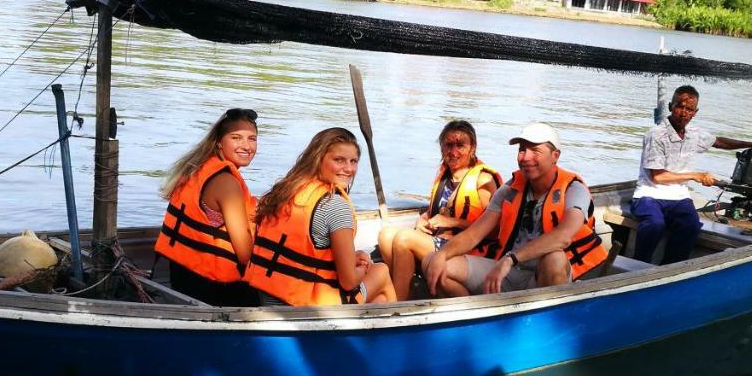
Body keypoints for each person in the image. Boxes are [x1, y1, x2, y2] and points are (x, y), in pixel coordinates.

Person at [423, 122, 608, 296]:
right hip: (509, 272)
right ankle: (478, 320)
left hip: (542, 277)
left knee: (555, 259)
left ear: (555, 156)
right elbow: (474, 234)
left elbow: (563, 236)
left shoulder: (574, 190)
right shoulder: (511, 189)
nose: (526, 157)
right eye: (522, 150)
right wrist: (443, 254)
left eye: (535, 150)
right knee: (432, 262)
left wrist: (511, 258)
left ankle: (543, 323)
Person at [247, 127, 395, 306]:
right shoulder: (335, 206)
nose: (348, 169)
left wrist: (351, 259)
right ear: (318, 159)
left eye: (353, 161)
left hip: (269, 296)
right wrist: (363, 267)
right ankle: (400, 327)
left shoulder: (286, 192)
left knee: (377, 297)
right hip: (309, 308)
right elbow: (348, 282)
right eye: (339, 160)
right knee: (381, 270)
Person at [632, 85, 752, 264]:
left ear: (695, 112)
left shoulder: (694, 134)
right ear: (670, 106)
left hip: (678, 197)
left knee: (690, 226)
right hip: (648, 195)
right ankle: (638, 265)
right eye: (679, 106)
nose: (683, 113)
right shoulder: (656, 135)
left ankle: (669, 269)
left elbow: (720, 142)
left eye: (689, 109)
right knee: (654, 224)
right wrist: (695, 176)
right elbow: (657, 176)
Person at [377, 120, 502, 300]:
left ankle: (398, 303)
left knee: (404, 238)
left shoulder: (483, 181)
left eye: (460, 145)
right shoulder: (446, 176)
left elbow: (495, 232)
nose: (453, 151)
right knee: (386, 235)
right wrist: (423, 219)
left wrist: (453, 222)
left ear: (472, 148)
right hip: (439, 240)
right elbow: (438, 210)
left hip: (467, 250)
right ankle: (407, 289)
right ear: (441, 148)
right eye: (448, 145)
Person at [154, 108, 261, 306]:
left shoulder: (200, 167)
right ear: (220, 142)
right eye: (236, 138)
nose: (246, 146)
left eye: (252, 139)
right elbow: (246, 255)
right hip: (214, 289)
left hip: (182, 276)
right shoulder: (227, 183)